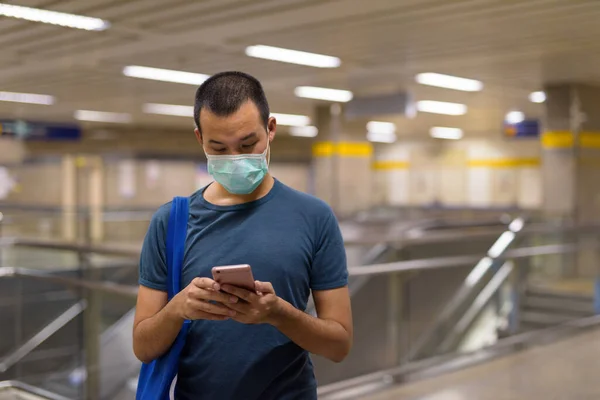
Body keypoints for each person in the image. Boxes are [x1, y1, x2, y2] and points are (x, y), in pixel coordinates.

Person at [133, 71, 353, 399]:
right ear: (200, 139)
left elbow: (338, 344)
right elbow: (143, 346)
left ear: (271, 129)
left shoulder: (314, 216)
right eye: (219, 148)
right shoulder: (171, 221)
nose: (235, 159)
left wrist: (278, 313)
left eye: (248, 144)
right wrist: (178, 308)